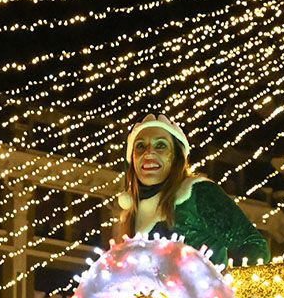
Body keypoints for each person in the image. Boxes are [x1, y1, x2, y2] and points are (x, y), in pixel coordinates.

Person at [114, 113, 271, 266]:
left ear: (177, 156)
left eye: (160, 145)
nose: (149, 152)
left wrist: (224, 286)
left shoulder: (198, 193)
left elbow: (253, 245)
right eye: (140, 146)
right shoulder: (131, 215)